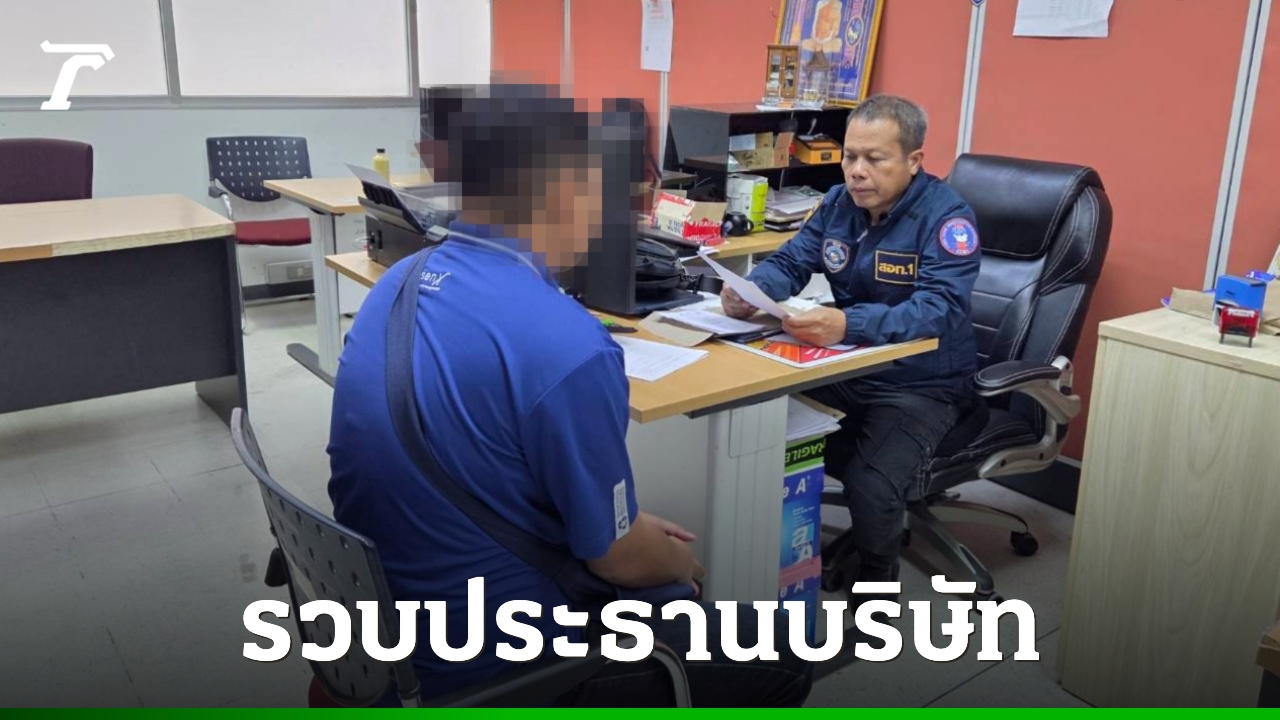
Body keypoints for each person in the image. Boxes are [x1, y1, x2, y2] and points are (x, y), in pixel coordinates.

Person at [327, 84, 813, 707]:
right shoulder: (569, 345)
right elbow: (619, 562)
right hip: (501, 669)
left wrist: (625, 525)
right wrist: (673, 561)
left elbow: (488, 470)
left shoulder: (397, 282)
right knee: (777, 646)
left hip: (386, 632)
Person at [722, 94, 981, 592]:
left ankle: (877, 584)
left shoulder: (947, 218)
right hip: (848, 366)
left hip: (922, 382)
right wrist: (752, 292)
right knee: (753, 421)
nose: (857, 172)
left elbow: (940, 309)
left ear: (913, 160)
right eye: (850, 156)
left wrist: (846, 324)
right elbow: (793, 259)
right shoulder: (839, 202)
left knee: (871, 482)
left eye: (874, 159)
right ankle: (756, 555)